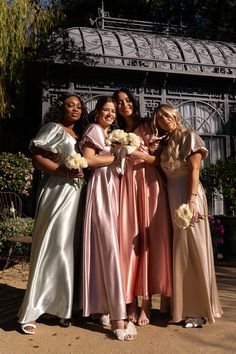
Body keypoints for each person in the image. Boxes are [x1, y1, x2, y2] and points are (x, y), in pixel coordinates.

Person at [18, 93, 87, 334]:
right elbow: (37, 157)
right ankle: (33, 310)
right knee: (51, 245)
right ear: (62, 109)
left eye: (79, 106)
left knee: (68, 247)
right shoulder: (53, 128)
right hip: (56, 191)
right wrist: (64, 172)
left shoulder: (80, 136)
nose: (75, 109)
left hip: (77, 194)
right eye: (70, 105)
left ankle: (61, 308)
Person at [152, 103, 223, 327]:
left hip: (188, 196)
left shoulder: (189, 136)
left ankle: (197, 310)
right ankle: (177, 306)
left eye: (167, 115)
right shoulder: (166, 143)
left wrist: (191, 200)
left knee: (193, 250)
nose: (164, 120)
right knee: (178, 251)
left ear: (175, 115)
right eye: (160, 118)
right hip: (172, 198)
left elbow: (194, 170)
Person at [113, 88, 172, 326]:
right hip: (124, 185)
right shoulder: (114, 130)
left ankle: (146, 302)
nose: (123, 104)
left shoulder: (148, 125)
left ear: (134, 102)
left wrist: (134, 152)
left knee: (148, 242)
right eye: (119, 102)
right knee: (126, 242)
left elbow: (160, 159)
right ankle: (129, 302)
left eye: (127, 100)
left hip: (148, 184)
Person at [80, 96, 136, 341]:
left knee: (108, 248)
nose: (111, 114)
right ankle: (117, 318)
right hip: (100, 190)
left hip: (113, 188)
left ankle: (103, 307)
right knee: (109, 248)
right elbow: (89, 160)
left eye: (113, 110)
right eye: (106, 110)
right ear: (97, 112)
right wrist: (116, 158)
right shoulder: (93, 130)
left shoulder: (113, 133)